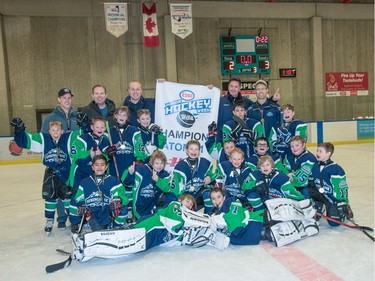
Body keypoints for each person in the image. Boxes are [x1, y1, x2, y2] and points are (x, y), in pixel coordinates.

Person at [11, 118, 74, 234]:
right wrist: (19, 131)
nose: (55, 132)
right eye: (53, 130)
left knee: (67, 197)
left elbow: (84, 136)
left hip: (65, 174)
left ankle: (73, 220)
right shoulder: (43, 139)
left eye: (58, 130)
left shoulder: (68, 138)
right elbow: (26, 141)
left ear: (62, 131)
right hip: (50, 174)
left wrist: (84, 126)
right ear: (49, 131)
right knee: (50, 198)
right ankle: (49, 220)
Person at [41, 87, 80, 229]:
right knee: (57, 190)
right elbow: (45, 139)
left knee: (71, 190)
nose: (67, 100)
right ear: (59, 99)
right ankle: (62, 218)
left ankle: (74, 217)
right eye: (64, 98)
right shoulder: (50, 118)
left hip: (74, 160)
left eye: (69, 97)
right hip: (58, 161)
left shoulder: (77, 116)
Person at [69, 116, 111, 232]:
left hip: (96, 174)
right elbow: (74, 155)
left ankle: (94, 219)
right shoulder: (83, 138)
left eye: (102, 127)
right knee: (77, 197)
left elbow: (106, 159)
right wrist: (89, 154)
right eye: (97, 126)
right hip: (81, 174)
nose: (100, 129)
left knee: (95, 196)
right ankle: (74, 222)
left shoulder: (106, 139)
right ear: (92, 127)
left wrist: (107, 154)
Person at [72, 155, 129, 231]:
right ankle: (86, 225)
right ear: (92, 167)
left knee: (123, 208)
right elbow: (78, 199)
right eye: (96, 165)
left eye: (102, 165)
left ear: (106, 167)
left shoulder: (113, 181)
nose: (99, 167)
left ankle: (117, 226)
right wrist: (82, 206)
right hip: (92, 214)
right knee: (78, 207)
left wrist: (119, 200)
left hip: (108, 212)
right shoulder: (84, 182)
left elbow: (124, 198)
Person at [217, 78, 280, 143]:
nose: (233, 89)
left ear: (239, 88)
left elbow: (261, 104)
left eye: (236, 86)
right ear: (228, 87)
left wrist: (272, 101)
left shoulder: (245, 101)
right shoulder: (220, 101)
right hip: (224, 138)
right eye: (231, 86)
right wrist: (208, 90)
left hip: (246, 141)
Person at [122, 151, 176, 220]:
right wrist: (130, 173)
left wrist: (158, 180)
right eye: (156, 163)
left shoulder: (165, 175)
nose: (159, 166)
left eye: (161, 163)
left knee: (171, 196)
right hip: (140, 207)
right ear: (151, 162)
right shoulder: (140, 170)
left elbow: (168, 188)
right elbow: (126, 183)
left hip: (155, 207)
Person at [309, 142, 353, 227]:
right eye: (317, 151)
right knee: (306, 191)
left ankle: (346, 208)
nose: (317, 153)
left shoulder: (336, 169)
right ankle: (318, 207)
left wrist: (341, 202)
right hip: (319, 195)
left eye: (320, 151)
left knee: (334, 223)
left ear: (328, 154)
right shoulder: (314, 166)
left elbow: (341, 189)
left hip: (331, 198)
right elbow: (311, 180)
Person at [171, 140, 216, 212]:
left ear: (199, 151)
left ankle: (209, 217)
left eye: (196, 149)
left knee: (209, 195)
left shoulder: (205, 162)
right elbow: (177, 186)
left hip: (199, 194)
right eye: (191, 149)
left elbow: (215, 171)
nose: (194, 151)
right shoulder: (180, 166)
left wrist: (210, 176)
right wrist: (181, 198)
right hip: (186, 195)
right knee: (183, 203)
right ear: (187, 151)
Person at [106, 106, 147, 179]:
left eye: (124, 115)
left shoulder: (134, 130)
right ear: (115, 116)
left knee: (129, 184)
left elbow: (139, 147)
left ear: (127, 117)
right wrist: (108, 153)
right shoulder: (109, 132)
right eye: (119, 114)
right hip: (115, 164)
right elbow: (104, 149)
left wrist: (139, 159)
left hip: (130, 164)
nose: (122, 117)